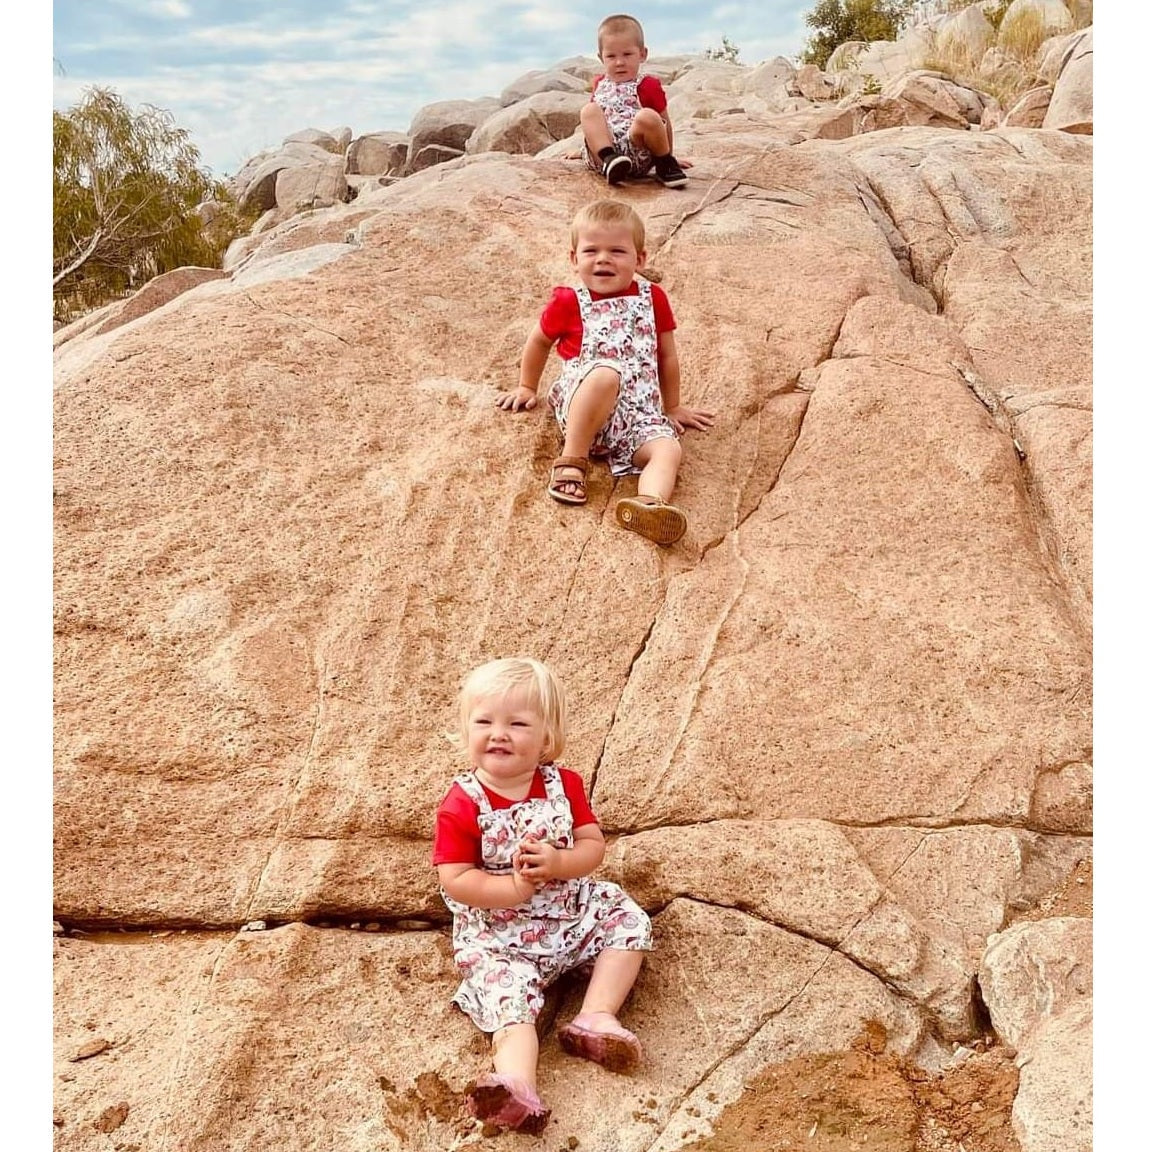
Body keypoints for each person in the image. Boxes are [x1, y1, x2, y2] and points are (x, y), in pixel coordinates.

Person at [433, 657, 652, 1134]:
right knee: (510, 1002)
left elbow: (592, 846)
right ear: (466, 730)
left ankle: (595, 1017)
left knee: (627, 919)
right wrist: (510, 888)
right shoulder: (462, 802)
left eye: (517, 724)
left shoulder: (563, 785)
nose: (499, 734)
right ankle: (516, 1087)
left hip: (570, 913)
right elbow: (455, 877)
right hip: (500, 937)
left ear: (546, 736)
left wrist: (559, 862)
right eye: (484, 722)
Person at [496, 199, 715, 546]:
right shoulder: (569, 301)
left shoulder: (653, 298)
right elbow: (539, 341)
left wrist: (672, 407)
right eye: (591, 251)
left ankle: (649, 505)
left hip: (636, 416)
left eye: (617, 251)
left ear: (639, 259)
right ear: (574, 258)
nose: (603, 259)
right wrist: (526, 386)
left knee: (667, 448)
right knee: (606, 373)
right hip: (585, 406)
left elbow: (667, 356)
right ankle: (572, 460)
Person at [580, 13, 689, 188]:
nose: (619, 62)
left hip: (637, 154)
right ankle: (610, 159)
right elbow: (594, 125)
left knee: (648, 116)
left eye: (627, 54)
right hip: (603, 160)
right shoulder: (599, 83)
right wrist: (587, 149)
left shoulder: (648, 85)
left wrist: (669, 155)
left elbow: (664, 123)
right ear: (601, 58)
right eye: (611, 56)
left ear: (642, 54)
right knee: (589, 111)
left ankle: (665, 166)